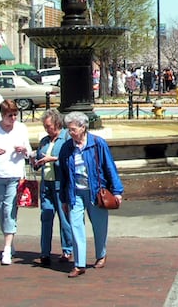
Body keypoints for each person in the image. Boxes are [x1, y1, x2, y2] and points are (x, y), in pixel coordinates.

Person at [58, 112, 124, 278]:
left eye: (73, 129)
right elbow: (63, 175)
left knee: (99, 226)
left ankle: (101, 254)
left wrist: (117, 191)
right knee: (75, 225)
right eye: (68, 129)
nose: (70, 132)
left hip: (95, 192)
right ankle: (79, 264)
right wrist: (64, 199)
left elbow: (110, 167)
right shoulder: (66, 148)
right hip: (75, 192)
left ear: (83, 127)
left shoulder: (97, 143)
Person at [0, 100, 33, 265]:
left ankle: (7, 249)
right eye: (10, 115)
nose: (13, 118)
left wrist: (24, 150)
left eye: (15, 114)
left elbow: (29, 151)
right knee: (1, 209)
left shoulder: (21, 129)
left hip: (15, 174)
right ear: (2, 115)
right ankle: (10, 240)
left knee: (10, 209)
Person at [32, 109, 74, 266]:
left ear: (57, 123)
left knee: (65, 219)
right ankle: (45, 252)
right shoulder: (44, 141)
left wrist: (54, 159)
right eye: (44, 126)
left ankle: (67, 250)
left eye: (48, 126)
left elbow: (71, 159)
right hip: (46, 185)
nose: (46, 129)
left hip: (60, 184)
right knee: (46, 217)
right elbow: (38, 159)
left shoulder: (66, 138)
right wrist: (35, 161)